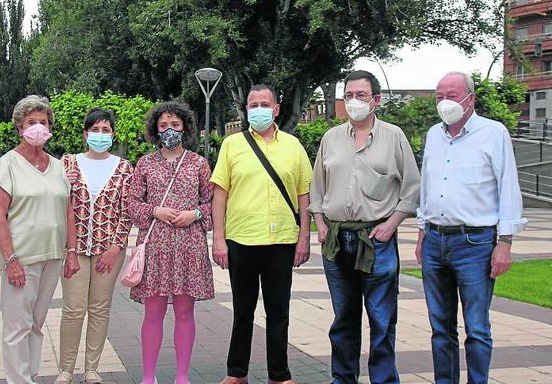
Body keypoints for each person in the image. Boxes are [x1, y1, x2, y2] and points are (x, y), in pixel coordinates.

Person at [309, 70, 420, 384]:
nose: (354, 101)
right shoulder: (331, 138)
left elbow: (412, 187)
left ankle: (383, 380)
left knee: (382, 318)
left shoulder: (394, 136)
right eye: (349, 95)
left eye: (361, 95)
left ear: (376, 100)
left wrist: (392, 224)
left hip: (376, 240)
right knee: (343, 318)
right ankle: (343, 378)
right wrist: (320, 223)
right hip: (336, 239)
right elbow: (318, 186)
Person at [415, 72, 528, 384]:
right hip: (436, 240)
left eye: (452, 95)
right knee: (440, 328)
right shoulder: (433, 135)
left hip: (475, 244)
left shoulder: (493, 133)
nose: (445, 102)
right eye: (439, 96)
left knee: (476, 327)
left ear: (471, 98)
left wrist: (504, 242)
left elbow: (508, 187)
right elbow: (428, 186)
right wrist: (422, 233)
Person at [211, 84, 313, 384]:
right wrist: (219, 238)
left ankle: (279, 375)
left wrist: (304, 237)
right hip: (242, 239)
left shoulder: (293, 146)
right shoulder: (233, 145)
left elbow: (304, 194)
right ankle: (236, 373)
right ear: (246, 110)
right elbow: (220, 193)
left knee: (278, 312)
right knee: (243, 310)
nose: (258, 109)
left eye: (264, 104)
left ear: (276, 109)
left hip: (282, 240)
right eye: (253, 105)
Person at [0, 95, 78, 384]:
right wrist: (10, 259)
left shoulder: (57, 165)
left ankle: (29, 374)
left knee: (36, 323)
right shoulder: (8, 164)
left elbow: (68, 209)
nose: (38, 127)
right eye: (31, 122)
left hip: (52, 256)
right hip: (21, 258)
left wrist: (72, 251)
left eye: (43, 121)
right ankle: (18, 380)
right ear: (19, 127)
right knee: (17, 326)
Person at [128, 100, 214, 384]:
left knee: (184, 311)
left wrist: (196, 214)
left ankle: (182, 376)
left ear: (185, 128)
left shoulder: (199, 164)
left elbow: (212, 202)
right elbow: (131, 203)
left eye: (175, 125)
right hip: (155, 246)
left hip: (189, 246)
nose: (169, 131)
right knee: (153, 311)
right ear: (155, 129)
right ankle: (149, 376)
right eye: (163, 126)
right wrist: (155, 210)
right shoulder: (144, 164)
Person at [54, 108, 134, 384]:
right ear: (86, 133)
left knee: (99, 308)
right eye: (95, 130)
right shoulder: (68, 163)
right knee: (73, 308)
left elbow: (127, 211)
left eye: (106, 130)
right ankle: (66, 368)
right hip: (74, 250)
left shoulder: (123, 168)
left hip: (109, 250)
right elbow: (57, 204)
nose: (100, 135)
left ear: (113, 134)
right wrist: (64, 185)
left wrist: (116, 246)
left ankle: (91, 369)